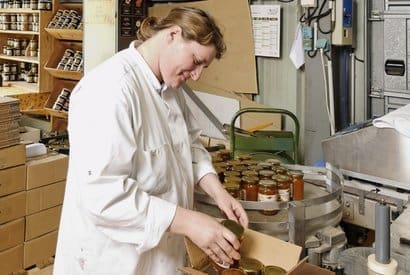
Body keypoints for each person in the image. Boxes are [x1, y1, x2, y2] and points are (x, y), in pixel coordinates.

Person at [53, 6, 249, 275]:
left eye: (204, 66)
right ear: (173, 35)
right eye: (196, 60)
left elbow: (189, 145)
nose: (197, 74)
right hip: (114, 260)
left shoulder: (169, 87)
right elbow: (105, 195)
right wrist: (190, 223)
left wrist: (218, 192)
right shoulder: (109, 90)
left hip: (160, 257)